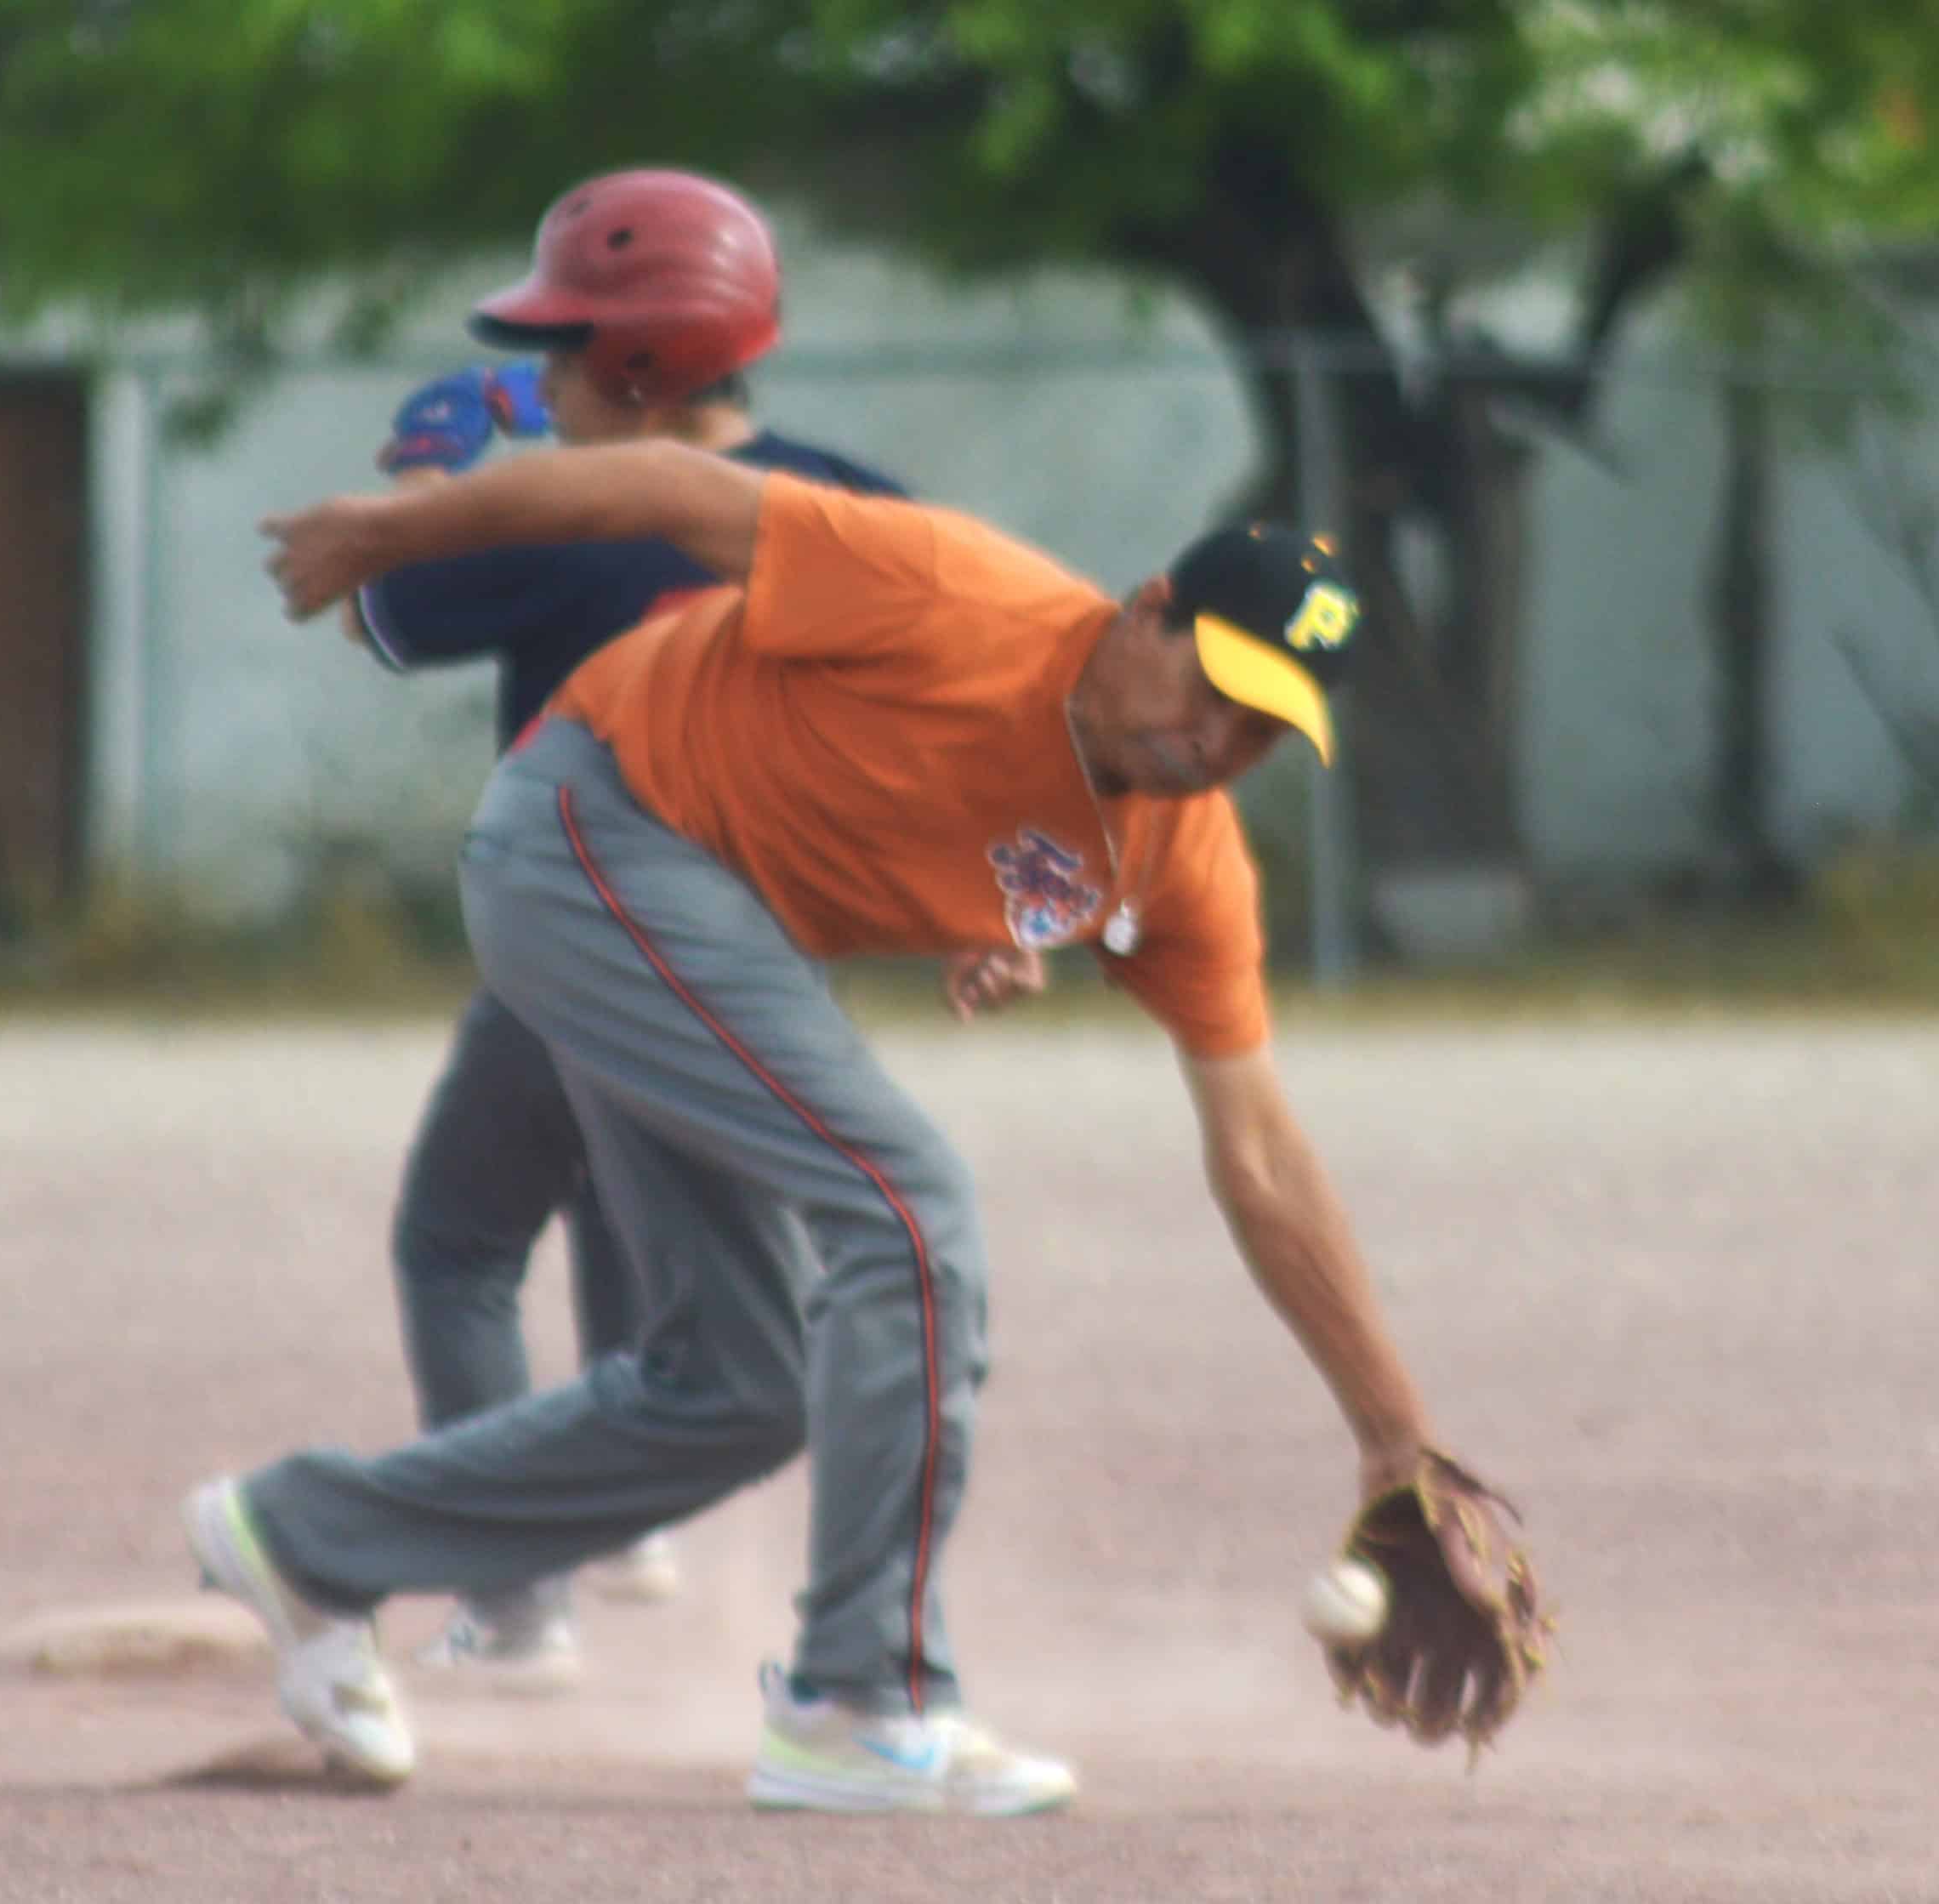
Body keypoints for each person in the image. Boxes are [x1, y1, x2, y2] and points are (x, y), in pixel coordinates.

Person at [190, 437, 1468, 1815]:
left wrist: (1398, 1441)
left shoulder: (1179, 853)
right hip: (597, 830)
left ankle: (310, 1539)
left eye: (1269, 728)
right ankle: (862, 1698)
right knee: (908, 1212)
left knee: (741, 1386)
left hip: (703, 921)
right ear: (1147, 610)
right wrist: (396, 530)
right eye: (1218, 686)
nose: (1222, 741)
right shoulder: (953, 594)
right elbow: (660, 487)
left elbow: (1262, 1156)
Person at [330, 168, 924, 1695]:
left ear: (644, 369)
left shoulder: (551, 523)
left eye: (567, 346)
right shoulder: (858, 506)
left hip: (592, 929)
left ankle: (519, 1596)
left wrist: (426, 492)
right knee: (629, 1195)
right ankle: (626, 1533)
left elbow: (375, 616)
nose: (538, 376)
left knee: (457, 1243)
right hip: (773, 964)